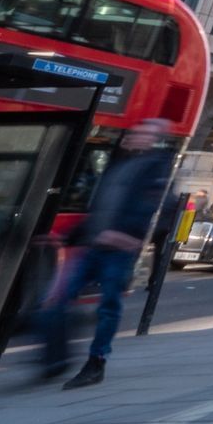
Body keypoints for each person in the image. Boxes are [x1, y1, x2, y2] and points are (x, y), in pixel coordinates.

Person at [39, 118, 173, 389]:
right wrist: (65, 237)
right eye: (136, 133)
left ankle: (96, 363)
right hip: (93, 245)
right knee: (57, 299)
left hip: (118, 252)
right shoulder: (119, 164)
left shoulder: (156, 169)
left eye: (144, 134)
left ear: (155, 139)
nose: (136, 137)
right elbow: (99, 209)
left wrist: (130, 236)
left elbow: (161, 208)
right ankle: (56, 359)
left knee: (108, 309)